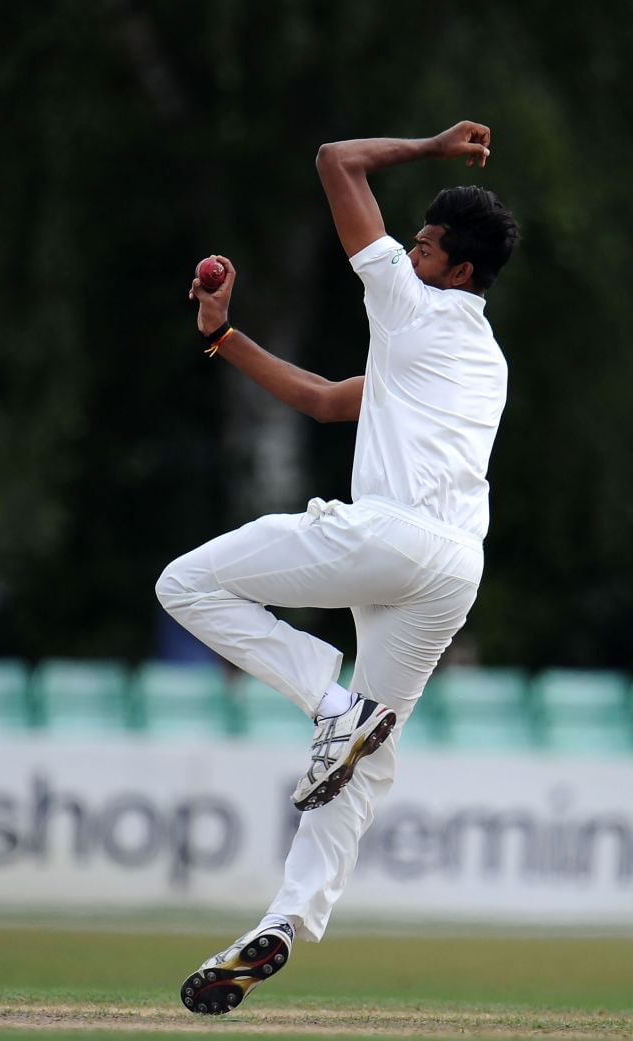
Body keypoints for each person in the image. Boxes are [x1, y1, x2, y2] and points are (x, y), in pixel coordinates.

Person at [156, 120, 519, 1016]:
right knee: (366, 763)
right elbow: (325, 402)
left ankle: (330, 701)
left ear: (457, 271)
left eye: (425, 245)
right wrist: (221, 333)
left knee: (185, 584)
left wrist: (435, 146)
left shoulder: (405, 305)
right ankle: (285, 919)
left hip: (388, 537)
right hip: (452, 570)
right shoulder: (482, 357)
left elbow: (335, 160)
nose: (408, 248)